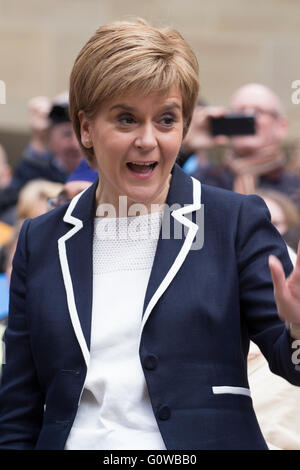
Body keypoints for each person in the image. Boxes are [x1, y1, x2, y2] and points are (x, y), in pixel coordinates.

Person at [0, 18, 300, 451]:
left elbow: (293, 366)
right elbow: (17, 413)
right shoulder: (39, 240)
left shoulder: (233, 221)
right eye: (126, 119)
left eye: (166, 120)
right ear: (86, 127)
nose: (148, 140)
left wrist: (297, 327)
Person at [192, 84, 300, 208]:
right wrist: (187, 146)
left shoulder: (296, 189)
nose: (249, 117)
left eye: (258, 111)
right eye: (240, 112)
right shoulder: (201, 183)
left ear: (282, 127)